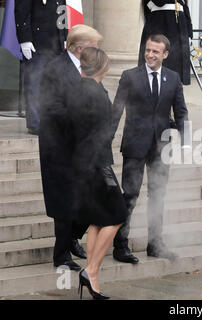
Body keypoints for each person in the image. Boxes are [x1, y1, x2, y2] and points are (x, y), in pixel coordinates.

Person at [112, 34, 190, 263]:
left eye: (156, 51)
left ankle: (155, 244)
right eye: (148, 50)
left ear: (165, 54)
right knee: (130, 196)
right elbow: (116, 111)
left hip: (161, 147)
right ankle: (120, 246)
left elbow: (181, 111)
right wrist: (103, 143)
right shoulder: (129, 77)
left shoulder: (173, 78)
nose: (150, 55)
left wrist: (185, 141)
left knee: (158, 195)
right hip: (135, 145)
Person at [39, 24, 103, 271]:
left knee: (89, 197)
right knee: (64, 202)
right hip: (59, 147)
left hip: (84, 147)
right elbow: (50, 108)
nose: (97, 51)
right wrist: (81, 115)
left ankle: (73, 238)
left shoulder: (88, 67)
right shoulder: (55, 69)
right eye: (94, 47)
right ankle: (61, 256)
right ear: (79, 48)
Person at [69, 47, 127, 300]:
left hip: (84, 163)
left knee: (97, 218)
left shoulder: (79, 88)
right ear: (103, 67)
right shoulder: (94, 92)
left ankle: (91, 274)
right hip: (96, 163)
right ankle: (90, 271)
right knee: (117, 215)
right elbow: (97, 131)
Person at [15, 0, 68, 135]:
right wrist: (24, 39)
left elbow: (62, 12)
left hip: (57, 43)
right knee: (34, 84)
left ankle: (52, 120)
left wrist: (65, 37)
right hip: (37, 42)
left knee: (55, 85)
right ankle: (35, 123)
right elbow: (21, 12)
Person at [138, 0, 193, 85]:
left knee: (176, 74)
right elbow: (159, 3)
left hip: (180, 27)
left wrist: (189, 33)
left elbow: (185, 8)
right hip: (160, 23)